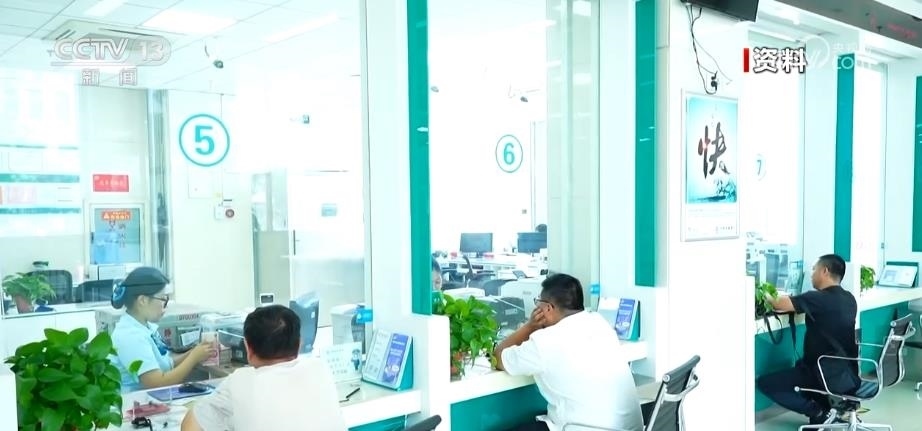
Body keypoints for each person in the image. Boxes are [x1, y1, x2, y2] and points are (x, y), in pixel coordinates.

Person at [493, 273, 644, 431]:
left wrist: (529, 326)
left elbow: (498, 358)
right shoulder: (600, 323)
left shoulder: (545, 341)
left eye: (538, 303)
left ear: (548, 308)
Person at [181, 305, 347, 431]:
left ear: (248, 348)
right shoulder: (320, 369)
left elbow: (190, 426)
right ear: (299, 344)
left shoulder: (240, 381)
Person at [758, 254, 860, 426]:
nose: (811, 274)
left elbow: (779, 303)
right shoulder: (849, 298)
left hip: (823, 373)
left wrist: (760, 290)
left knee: (765, 383)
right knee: (800, 365)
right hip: (847, 374)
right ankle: (825, 410)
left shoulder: (819, 298)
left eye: (814, 270)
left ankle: (817, 411)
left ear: (825, 271)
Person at [110, 267, 214, 392]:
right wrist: (194, 358)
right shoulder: (130, 336)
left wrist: (195, 351)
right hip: (135, 402)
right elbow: (157, 383)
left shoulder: (144, 327)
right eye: (163, 299)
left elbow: (165, 363)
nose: (165, 307)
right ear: (143, 300)